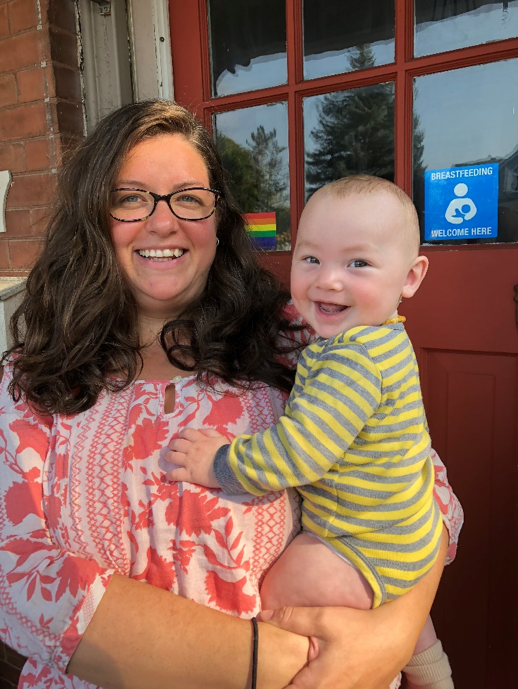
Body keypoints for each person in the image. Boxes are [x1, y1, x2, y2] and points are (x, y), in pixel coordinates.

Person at [0, 101, 463, 689]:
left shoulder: (299, 336)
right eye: (130, 196)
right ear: (93, 217)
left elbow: (423, 487)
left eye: (189, 197)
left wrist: (393, 633)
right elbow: (16, 581)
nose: (162, 222)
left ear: (219, 222)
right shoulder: (34, 380)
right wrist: (263, 663)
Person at [166, 175, 456, 689]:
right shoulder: (378, 337)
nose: (328, 280)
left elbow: (301, 453)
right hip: (404, 532)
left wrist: (218, 464)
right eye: (311, 259)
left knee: (275, 591)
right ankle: (434, 673)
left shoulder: (354, 360)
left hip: (360, 544)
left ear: (411, 277)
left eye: (358, 263)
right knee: (408, 620)